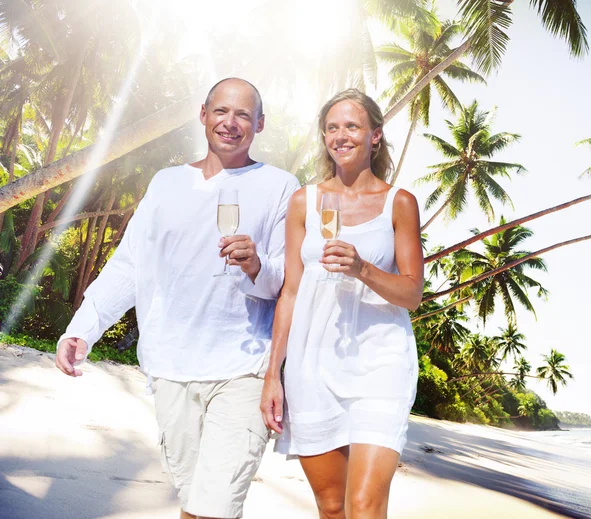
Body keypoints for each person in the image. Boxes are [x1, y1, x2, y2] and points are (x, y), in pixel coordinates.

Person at [55, 77, 300, 519]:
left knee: (213, 508)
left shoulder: (281, 186)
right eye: (221, 111)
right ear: (203, 115)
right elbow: (130, 263)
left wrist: (256, 265)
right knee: (197, 504)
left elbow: (286, 283)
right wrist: (84, 328)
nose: (230, 122)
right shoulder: (166, 184)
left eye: (243, 114)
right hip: (171, 369)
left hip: (244, 370)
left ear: (260, 124)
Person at [260, 88, 424, 519]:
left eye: (352, 125)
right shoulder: (305, 202)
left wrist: (363, 269)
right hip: (313, 364)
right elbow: (290, 290)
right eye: (332, 127)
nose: (341, 135)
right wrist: (272, 374)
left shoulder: (399, 203)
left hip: (379, 361)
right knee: (333, 508)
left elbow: (412, 293)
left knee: (365, 505)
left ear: (375, 135)